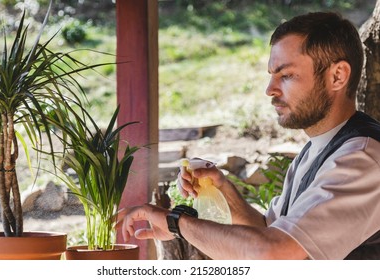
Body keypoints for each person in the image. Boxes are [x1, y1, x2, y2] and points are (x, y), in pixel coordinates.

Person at [116, 11, 380, 260]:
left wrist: (176, 222)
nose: (270, 89)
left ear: (337, 76)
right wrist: (224, 190)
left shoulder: (361, 159)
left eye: (286, 75)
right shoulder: (317, 150)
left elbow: (271, 253)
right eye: (272, 75)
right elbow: (270, 230)